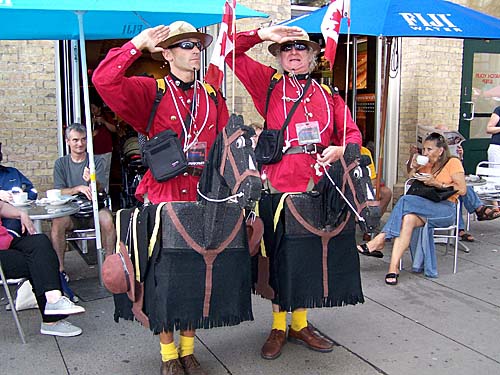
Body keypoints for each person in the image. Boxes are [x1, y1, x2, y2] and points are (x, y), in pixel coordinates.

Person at [93, 21, 229, 375]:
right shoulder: (149, 91)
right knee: (164, 280)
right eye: (185, 45)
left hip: (202, 198)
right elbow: (104, 80)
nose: (195, 50)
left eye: (197, 44)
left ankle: (188, 349)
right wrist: (137, 43)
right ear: (167, 54)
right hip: (163, 197)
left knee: (196, 278)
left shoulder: (213, 97)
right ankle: (169, 354)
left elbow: (224, 146)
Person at [228, 25, 362, 360]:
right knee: (277, 261)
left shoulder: (329, 95)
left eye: (301, 48)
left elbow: (354, 136)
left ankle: (299, 323)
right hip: (277, 188)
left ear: (314, 56)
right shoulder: (268, 85)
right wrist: (262, 34)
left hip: (317, 188)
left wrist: (341, 149)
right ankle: (277, 325)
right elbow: (229, 49)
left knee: (308, 262)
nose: (293, 53)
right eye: (286, 48)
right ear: (278, 55)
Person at [358, 132, 466, 284]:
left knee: (405, 200)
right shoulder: (427, 163)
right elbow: (411, 178)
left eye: (429, 149)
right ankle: (393, 268)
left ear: (440, 150)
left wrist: (436, 183)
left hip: (446, 209)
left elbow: (462, 190)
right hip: (425, 206)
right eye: (424, 149)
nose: (425, 153)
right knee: (407, 219)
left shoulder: (452, 162)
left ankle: (381, 239)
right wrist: (413, 166)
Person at [0, 200, 85, 337]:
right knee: (39, 262)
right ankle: (51, 321)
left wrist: (20, 213)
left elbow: (2, 206)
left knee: (40, 242)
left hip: (7, 243)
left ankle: (54, 301)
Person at [50, 123, 116, 277]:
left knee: (108, 220)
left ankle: (109, 266)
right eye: (75, 140)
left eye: (83, 139)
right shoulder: (61, 163)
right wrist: (78, 188)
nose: (80, 143)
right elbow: (58, 190)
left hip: (94, 210)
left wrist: (92, 182)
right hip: (71, 213)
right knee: (57, 222)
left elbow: (101, 189)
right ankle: (60, 270)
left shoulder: (96, 161)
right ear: (67, 141)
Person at [0, 142, 38, 235]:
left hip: (18, 217)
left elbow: (32, 190)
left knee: (40, 239)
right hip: (3, 222)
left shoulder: (12, 172)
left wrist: (23, 198)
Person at [360, 146, 393, 241]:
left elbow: (373, 178)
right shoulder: (339, 150)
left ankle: (371, 225)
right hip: (347, 189)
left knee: (386, 193)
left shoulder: (365, 152)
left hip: (365, 186)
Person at [90, 96, 117, 193]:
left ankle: (105, 193)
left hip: (106, 150)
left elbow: (114, 129)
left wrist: (104, 122)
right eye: (91, 108)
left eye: (94, 108)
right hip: (93, 151)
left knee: (105, 174)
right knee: (94, 174)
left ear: (99, 108)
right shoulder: (89, 118)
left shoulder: (106, 116)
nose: (92, 110)